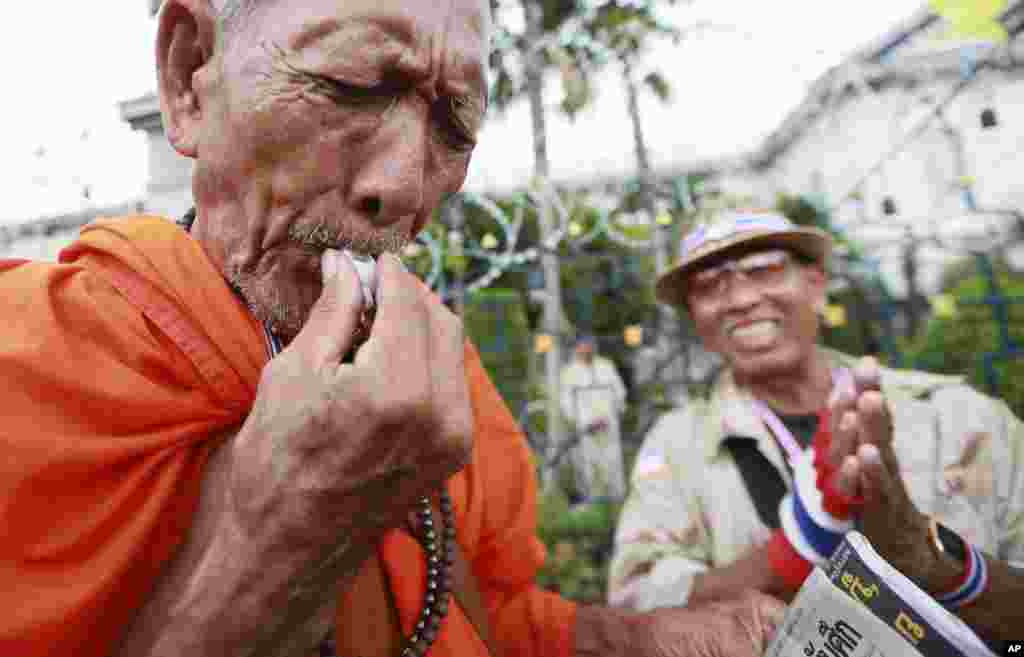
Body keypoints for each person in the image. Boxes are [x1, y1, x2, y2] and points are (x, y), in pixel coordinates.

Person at [0, 2, 785, 656]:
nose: (405, 188)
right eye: (347, 85)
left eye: (456, 125)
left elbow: (496, 620)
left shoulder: (439, 383)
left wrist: (653, 639)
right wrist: (266, 555)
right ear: (189, 77)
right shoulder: (27, 365)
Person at [608, 209, 1024, 645]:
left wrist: (940, 566)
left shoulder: (959, 416)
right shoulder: (674, 450)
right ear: (695, 318)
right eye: (709, 285)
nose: (740, 299)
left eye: (763, 269)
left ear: (817, 284)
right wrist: (794, 549)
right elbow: (636, 612)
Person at [559, 335, 628, 501]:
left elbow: (619, 392)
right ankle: (592, 503)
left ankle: (617, 501)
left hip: (609, 425)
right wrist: (587, 422)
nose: (588, 349)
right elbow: (567, 402)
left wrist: (612, 415)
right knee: (589, 466)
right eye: (584, 346)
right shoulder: (569, 372)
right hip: (587, 429)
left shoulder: (606, 366)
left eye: (591, 345)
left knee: (613, 464)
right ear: (577, 348)